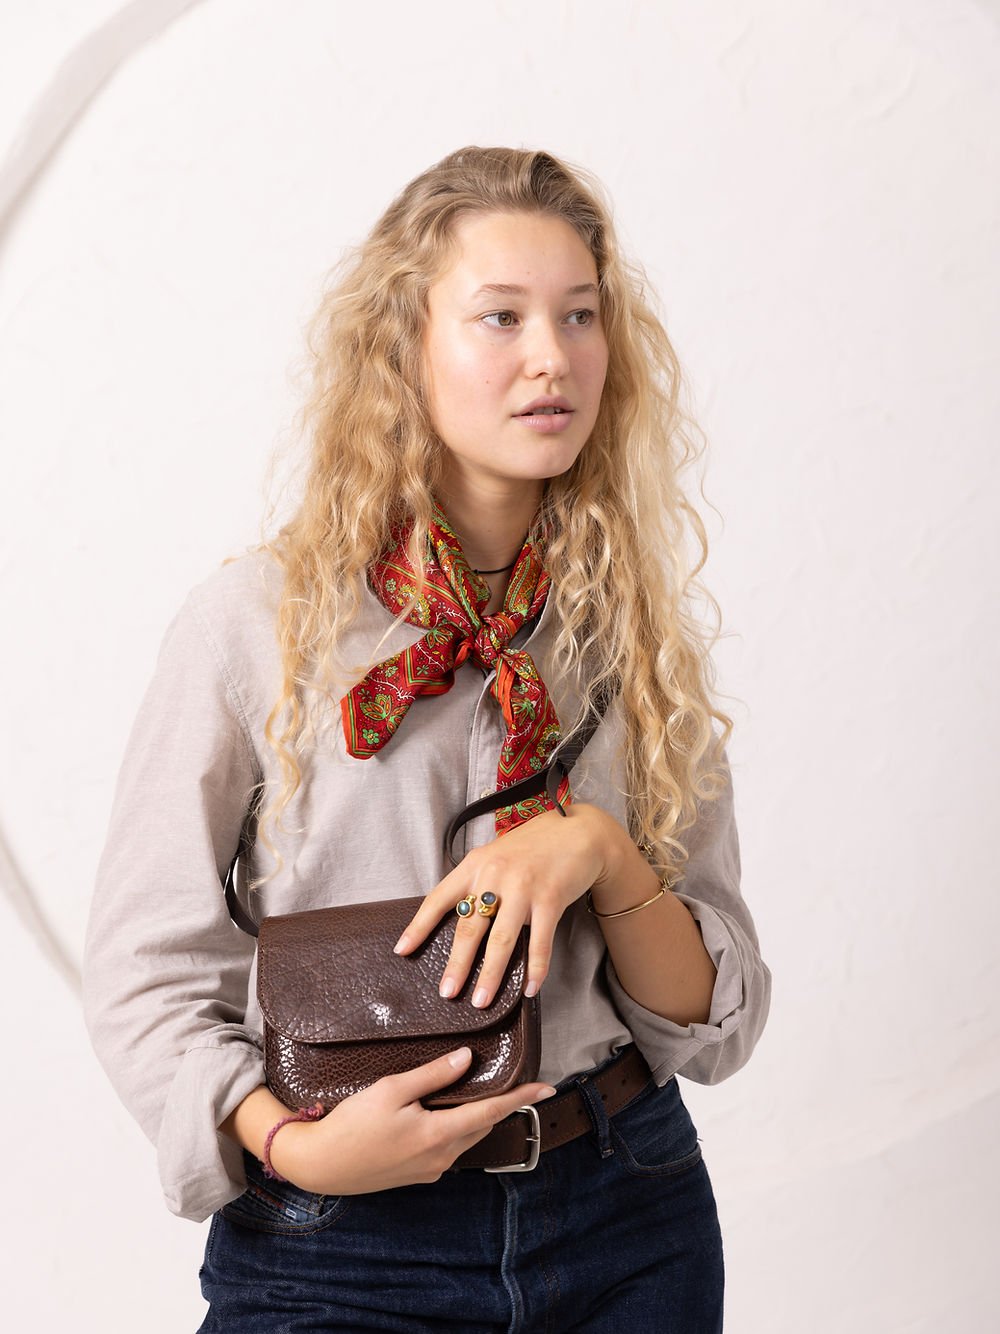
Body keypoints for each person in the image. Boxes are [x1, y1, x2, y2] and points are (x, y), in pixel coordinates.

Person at [83, 145, 772, 1333]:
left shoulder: (632, 636)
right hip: (336, 1247)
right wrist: (288, 1141)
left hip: (625, 1215)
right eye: (499, 317)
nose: (551, 356)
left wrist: (601, 852)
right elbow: (145, 968)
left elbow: (709, 1016)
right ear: (405, 345)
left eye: (578, 315)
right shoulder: (258, 624)